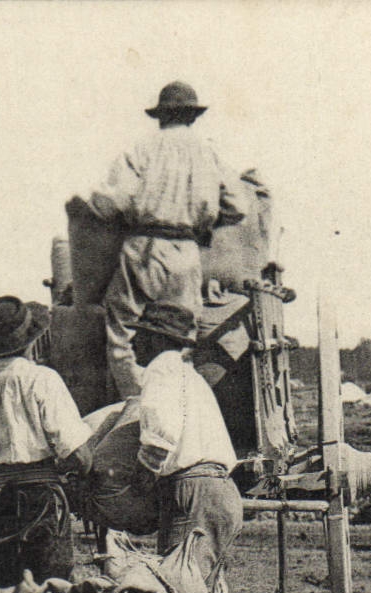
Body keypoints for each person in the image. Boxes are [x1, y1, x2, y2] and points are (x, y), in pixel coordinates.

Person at [67, 81, 247, 399]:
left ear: (161, 116)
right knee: (182, 335)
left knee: (123, 333)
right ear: (192, 117)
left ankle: (135, 404)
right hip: (188, 252)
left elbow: (111, 202)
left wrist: (95, 209)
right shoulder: (209, 154)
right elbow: (238, 207)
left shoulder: (142, 150)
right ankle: (175, 408)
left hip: (144, 249)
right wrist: (203, 218)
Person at [0, 295, 93, 586]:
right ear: (30, 341)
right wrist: (73, 474)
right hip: (40, 499)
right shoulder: (42, 380)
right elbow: (78, 455)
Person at [128, 301, 243, 593]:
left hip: (195, 490)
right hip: (218, 490)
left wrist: (142, 478)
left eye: (141, 336)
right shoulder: (188, 376)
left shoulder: (162, 368)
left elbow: (161, 431)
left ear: (157, 340)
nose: (135, 343)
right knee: (198, 585)